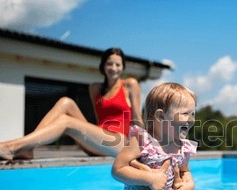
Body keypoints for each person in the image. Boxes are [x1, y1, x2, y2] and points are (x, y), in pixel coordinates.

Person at [111, 82, 226, 190]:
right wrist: (150, 178)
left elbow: (185, 171)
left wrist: (188, 184)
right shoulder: (142, 140)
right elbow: (118, 169)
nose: (191, 119)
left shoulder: (183, 147)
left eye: (193, 113)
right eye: (185, 113)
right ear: (160, 116)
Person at [0, 47, 142, 160]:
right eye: (109, 63)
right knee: (65, 102)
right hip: (97, 141)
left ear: (123, 67)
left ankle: (13, 146)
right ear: (103, 66)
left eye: (118, 64)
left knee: (66, 121)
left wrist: (142, 149)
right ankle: (28, 148)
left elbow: (137, 119)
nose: (113, 68)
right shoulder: (95, 88)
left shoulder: (130, 85)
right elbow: (99, 121)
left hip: (119, 143)